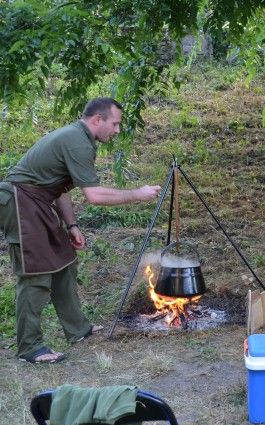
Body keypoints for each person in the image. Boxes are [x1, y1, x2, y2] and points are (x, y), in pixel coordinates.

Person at [0, 98, 161, 363]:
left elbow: (60, 188)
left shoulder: (79, 138)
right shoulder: (77, 141)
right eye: (115, 124)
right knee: (35, 275)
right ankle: (29, 348)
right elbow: (94, 196)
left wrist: (71, 225)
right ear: (97, 119)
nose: (117, 130)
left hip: (39, 202)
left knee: (64, 264)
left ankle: (78, 329)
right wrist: (137, 194)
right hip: (21, 203)